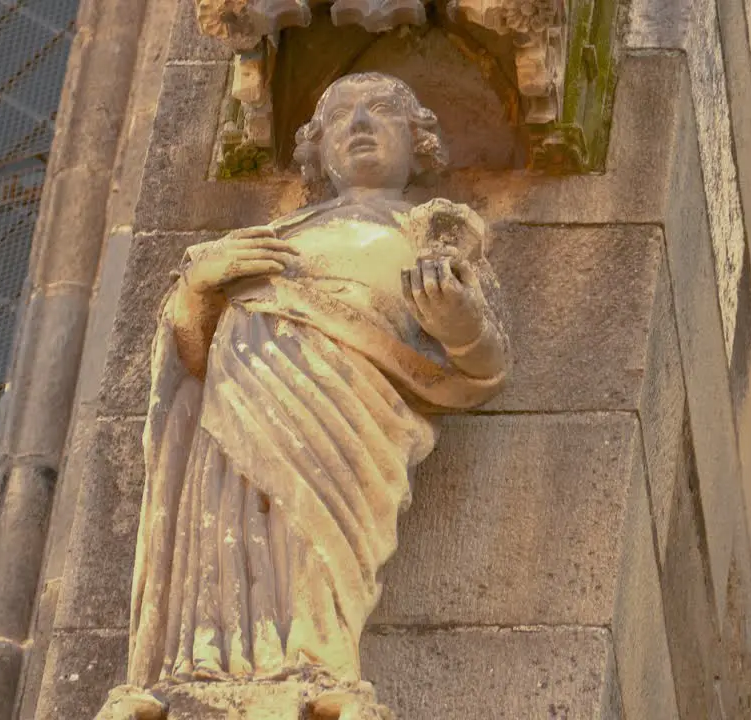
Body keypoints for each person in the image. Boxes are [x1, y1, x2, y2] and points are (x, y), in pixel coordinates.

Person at [125, 72, 510, 698]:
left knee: (314, 543)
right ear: (318, 150)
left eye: (381, 110)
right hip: (238, 398)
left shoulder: (432, 232)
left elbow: (487, 365)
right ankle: (216, 666)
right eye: (339, 116)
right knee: (233, 531)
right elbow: (188, 358)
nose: (359, 125)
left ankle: (313, 666)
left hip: (350, 409)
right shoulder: (280, 235)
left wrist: (460, 325)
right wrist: (196, 289)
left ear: (419, 143)